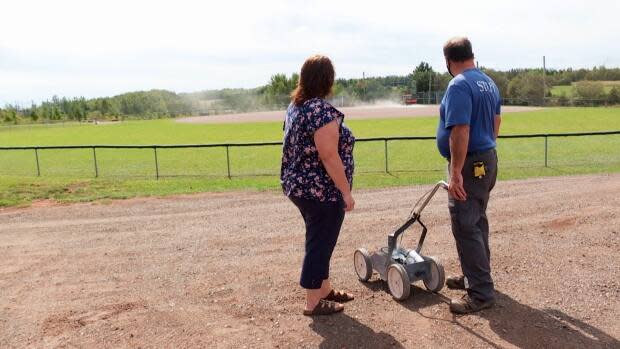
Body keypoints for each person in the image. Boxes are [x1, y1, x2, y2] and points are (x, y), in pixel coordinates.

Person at [281, 55, 356, 316]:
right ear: (327, 80)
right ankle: (313, 301)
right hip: (319, 190)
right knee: (320, 242)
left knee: (320, 238)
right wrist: (346, 191)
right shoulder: (320, 111)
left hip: (299, 186)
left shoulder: (296, 107)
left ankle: (324, 289)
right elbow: (329, 155)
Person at [436, 37, 502, 314]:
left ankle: (481, 294)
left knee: (465, 225)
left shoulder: (459, 84)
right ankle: (475, 278)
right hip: (486, 159)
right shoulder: (488, 82)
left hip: (469, 165)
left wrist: (456, 173)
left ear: (449, 61)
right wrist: (485, 149)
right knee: (477, 220)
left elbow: (460, 130)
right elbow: (496, 122)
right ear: (472, 55)